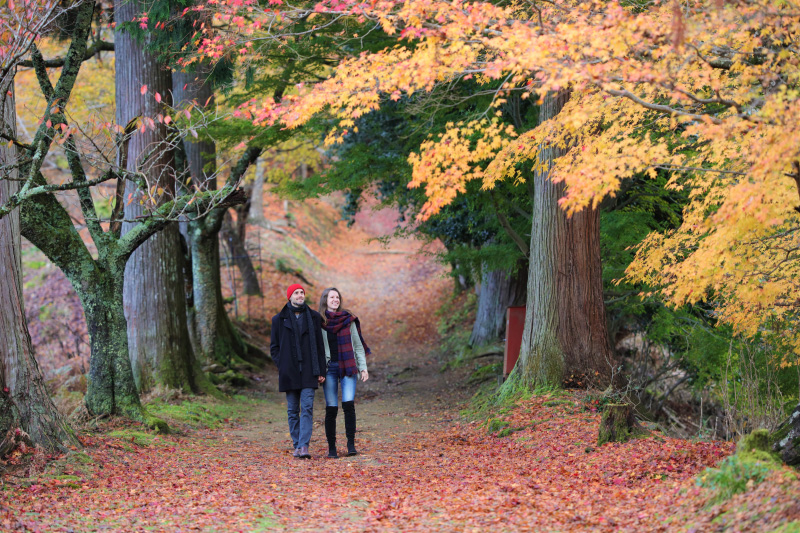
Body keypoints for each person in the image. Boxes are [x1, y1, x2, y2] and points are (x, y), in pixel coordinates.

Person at [270, 284, 326, 459]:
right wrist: (283, 365)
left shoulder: (315, 317)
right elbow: (274, 348)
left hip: (309, 370)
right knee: (293, 410)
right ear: (290, 297)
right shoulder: (278, 320)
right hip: (289, 372)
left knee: (307, 408)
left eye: (302, 292)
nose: (300, 295)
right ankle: (297, 444)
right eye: (296, 293)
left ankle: (304, 446)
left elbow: (319, 346)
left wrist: (321, 370)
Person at [318, 287, 371, 458]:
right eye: (332, 297)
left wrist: (363, 367)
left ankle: (350, 444)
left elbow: (357, 346)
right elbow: (317, 349)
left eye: (337, 297)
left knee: (348, 405)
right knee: (331, 408)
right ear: (325, 300)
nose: (335, 300)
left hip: (348, 366)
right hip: (330, 369)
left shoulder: (349, 320)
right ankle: (332, 448)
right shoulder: (320, 322)